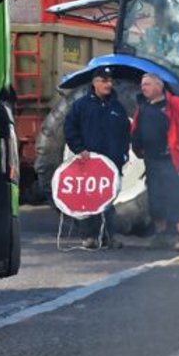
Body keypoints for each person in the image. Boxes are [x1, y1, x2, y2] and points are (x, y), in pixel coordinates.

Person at [130, 71, 179, 251]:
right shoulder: (142, 107)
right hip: (151, 159)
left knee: (177, 197)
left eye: (148, 84)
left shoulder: (174, 104)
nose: (143, 88)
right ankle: (160, 235)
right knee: (156, 198)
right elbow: (136, 129)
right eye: (142, 84)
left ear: (159, 86)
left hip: (170, 160)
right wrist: (137, 147)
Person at [63, 66, 131, 249]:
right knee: (89, 198)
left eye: (110, 81)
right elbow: (70, 129)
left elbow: (126, 133)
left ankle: (110, 237)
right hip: (89, 161)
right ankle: (89, 237)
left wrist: (123, 154)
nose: (108, 85)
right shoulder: (81, 106)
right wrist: (80, 149)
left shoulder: (117, 107)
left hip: (111, 162)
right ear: (95, 83)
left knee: (109, 200)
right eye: (104, 81)